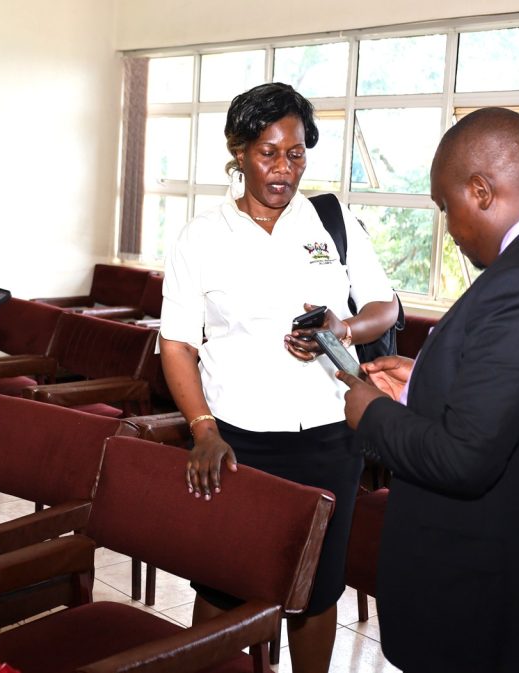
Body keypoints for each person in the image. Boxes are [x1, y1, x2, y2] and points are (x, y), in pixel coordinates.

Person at [335, 107, 519, 673]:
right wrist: (421, 383)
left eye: (445, 207)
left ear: (481, 190)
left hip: (500, 595)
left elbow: (464, 459)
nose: (449, 230)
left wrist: (369, 411)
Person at [159, 82, 399, 673]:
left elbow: (385, 307)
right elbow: (177, 343)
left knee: (316, 590)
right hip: (237, 442)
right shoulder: (202, 236)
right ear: (239, 151)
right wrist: (203, 430)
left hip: (326, 437)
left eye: (295, 154)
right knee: (221, 586)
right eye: (269, 152)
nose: (283, 169)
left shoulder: (331, 222)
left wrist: (342, 328)